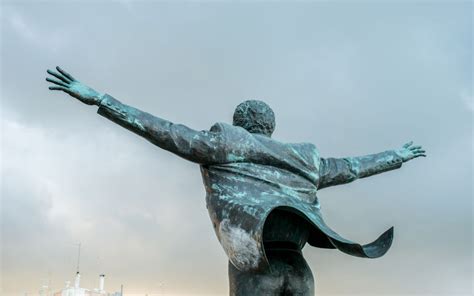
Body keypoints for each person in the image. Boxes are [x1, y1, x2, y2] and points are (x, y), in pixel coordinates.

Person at [46, 66, 426, 295]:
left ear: (240, 122)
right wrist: (397, 156)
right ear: (271, 127)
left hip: (254, 266)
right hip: (299, 270)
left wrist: (100, 99)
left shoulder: (224, 144)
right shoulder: (305, 160)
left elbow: (161, 130)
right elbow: (353, 167)